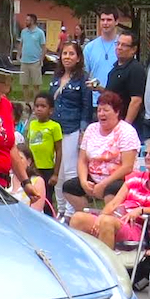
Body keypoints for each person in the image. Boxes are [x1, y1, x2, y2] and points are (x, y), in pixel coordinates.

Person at [72, 137, 150, 260]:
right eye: (145, 153)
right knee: (78, 218)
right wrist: (101, 216)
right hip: (120, 220)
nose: (147, 157)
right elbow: (114, 204)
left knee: (107, 222)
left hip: (141, 228)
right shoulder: (134, 177)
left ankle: (108, 269)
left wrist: (142, 210)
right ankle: (79, 264)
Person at [63, 90, 138, 210]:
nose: (101, 114)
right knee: (69, 187)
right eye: (99, 110)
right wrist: (83, 181)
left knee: (111, 190)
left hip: (118, 179)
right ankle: (87, 216)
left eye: (106, 110)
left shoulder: (127, 131)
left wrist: (103, 184)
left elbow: (127, 167)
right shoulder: (91, 129)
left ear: (117, 112)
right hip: (93, 176)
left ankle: (109, 218)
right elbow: (82, 160)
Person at [48, 43, 89, 211]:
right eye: (64, 53)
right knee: (58, 169)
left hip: (72, 128)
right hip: (55, 128)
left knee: (70, 169)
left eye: (71, 54)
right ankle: (61, 208)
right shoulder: (55, 78)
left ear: (78, 57)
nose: (67, 57)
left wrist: (83, 131)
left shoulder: (83, 79)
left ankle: (72, 210)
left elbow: (86, 106)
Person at [102, 32, 143, 128]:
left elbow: (136, 101)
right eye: (118, 43)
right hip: (112, 122)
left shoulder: (135, 69)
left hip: (125, 124)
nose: (119, 47)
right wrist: (98, 88)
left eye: (124, 45)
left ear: (133, 49)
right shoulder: (115, 67)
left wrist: (125, 127)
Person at [23, 93, 63, 188]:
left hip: (47, 168)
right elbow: (28, 145)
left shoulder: (54, 126)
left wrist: (55, 174)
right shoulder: (32, 124)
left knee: (46, 195)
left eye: (43, 106)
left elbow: (59, 150)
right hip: (32, 167)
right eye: (36, 106)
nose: (39, 109)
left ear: (51, 110)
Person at [82, 8, 120, 102]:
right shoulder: (90, 48)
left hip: (117, 101)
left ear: (116, 22)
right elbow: (84, 74)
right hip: (95, 101)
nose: (105, 23)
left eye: (109, 20)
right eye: (102, 20)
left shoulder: (123, 45)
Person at [17, 14, 47, 92]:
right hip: (24, 62)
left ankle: (36, 103)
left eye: (27, 20)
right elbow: (21, 44)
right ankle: (27, 103)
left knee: (36, 85)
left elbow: (43, 47)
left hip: (35, 62)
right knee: (24, 84)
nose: (25, 22)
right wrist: (18, 55)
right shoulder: (23, 32)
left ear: (32, 21)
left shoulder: (40, 33)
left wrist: (41, 59)